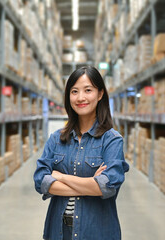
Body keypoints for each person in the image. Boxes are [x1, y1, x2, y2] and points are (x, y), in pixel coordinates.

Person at [33, 66, 130, 240]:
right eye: (74, 91)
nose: (80, 98)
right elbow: (40, 180)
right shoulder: (56, 139)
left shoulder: (112, 140)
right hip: (59, 231)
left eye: (88, 90)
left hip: (96, 231)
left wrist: (61, 177)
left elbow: (106, 186)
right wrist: (91, 185)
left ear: (100, 94)